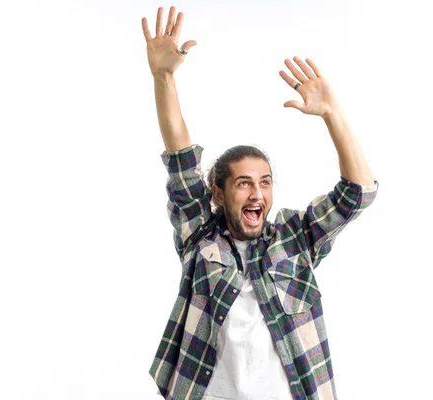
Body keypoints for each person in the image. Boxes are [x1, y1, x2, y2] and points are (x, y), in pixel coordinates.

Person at [142, 6, 378, 400]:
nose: (257, 194)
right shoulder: (200, 236)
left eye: (265, 183)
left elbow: (358, 193)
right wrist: (163, 76)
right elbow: (181, 160)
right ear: (217, 193)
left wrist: (332, 114)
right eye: (244, 184)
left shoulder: (295, 237)